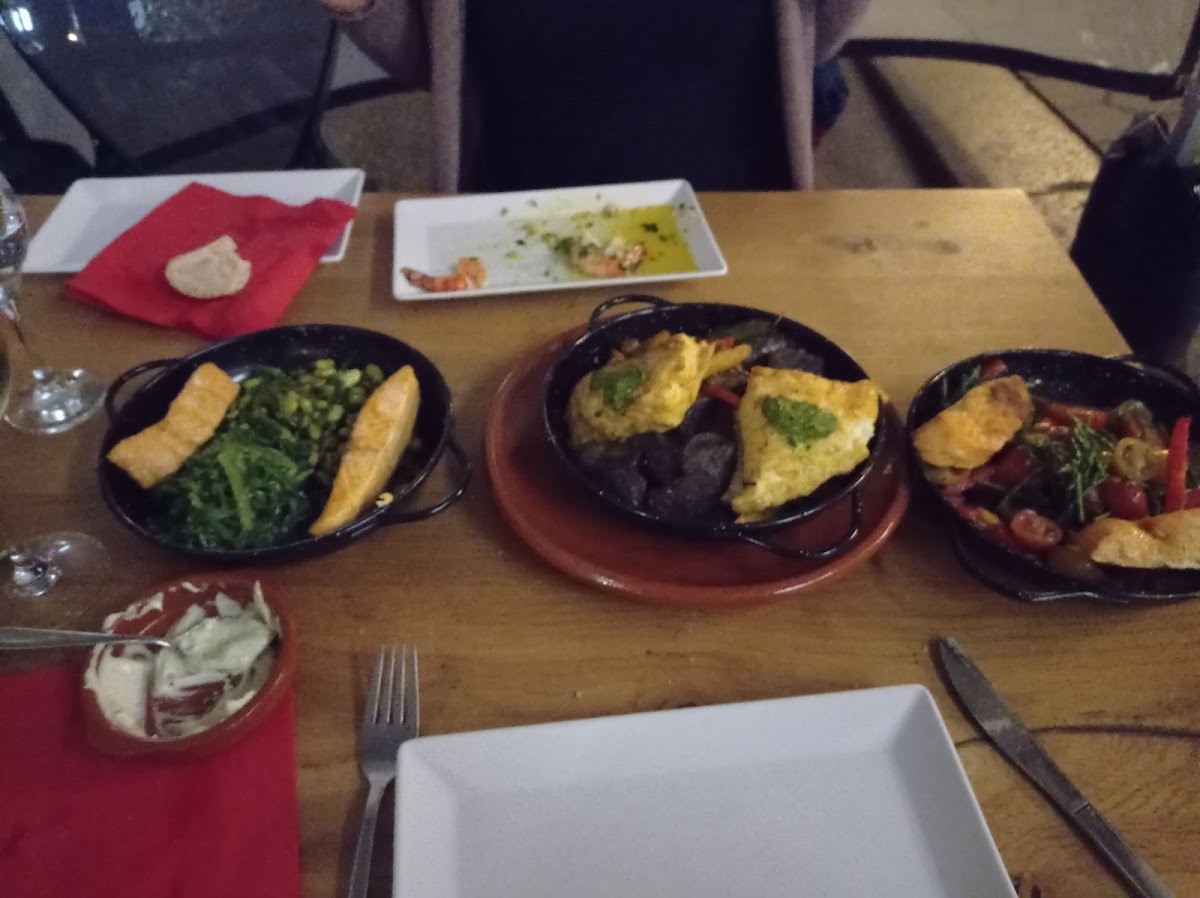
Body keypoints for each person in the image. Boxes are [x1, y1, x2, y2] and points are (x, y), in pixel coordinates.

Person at [319, 0, 871, 193]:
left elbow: (809, 42)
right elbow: (439, 59)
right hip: (516, 215)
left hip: (736, 214)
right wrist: (358, 5)